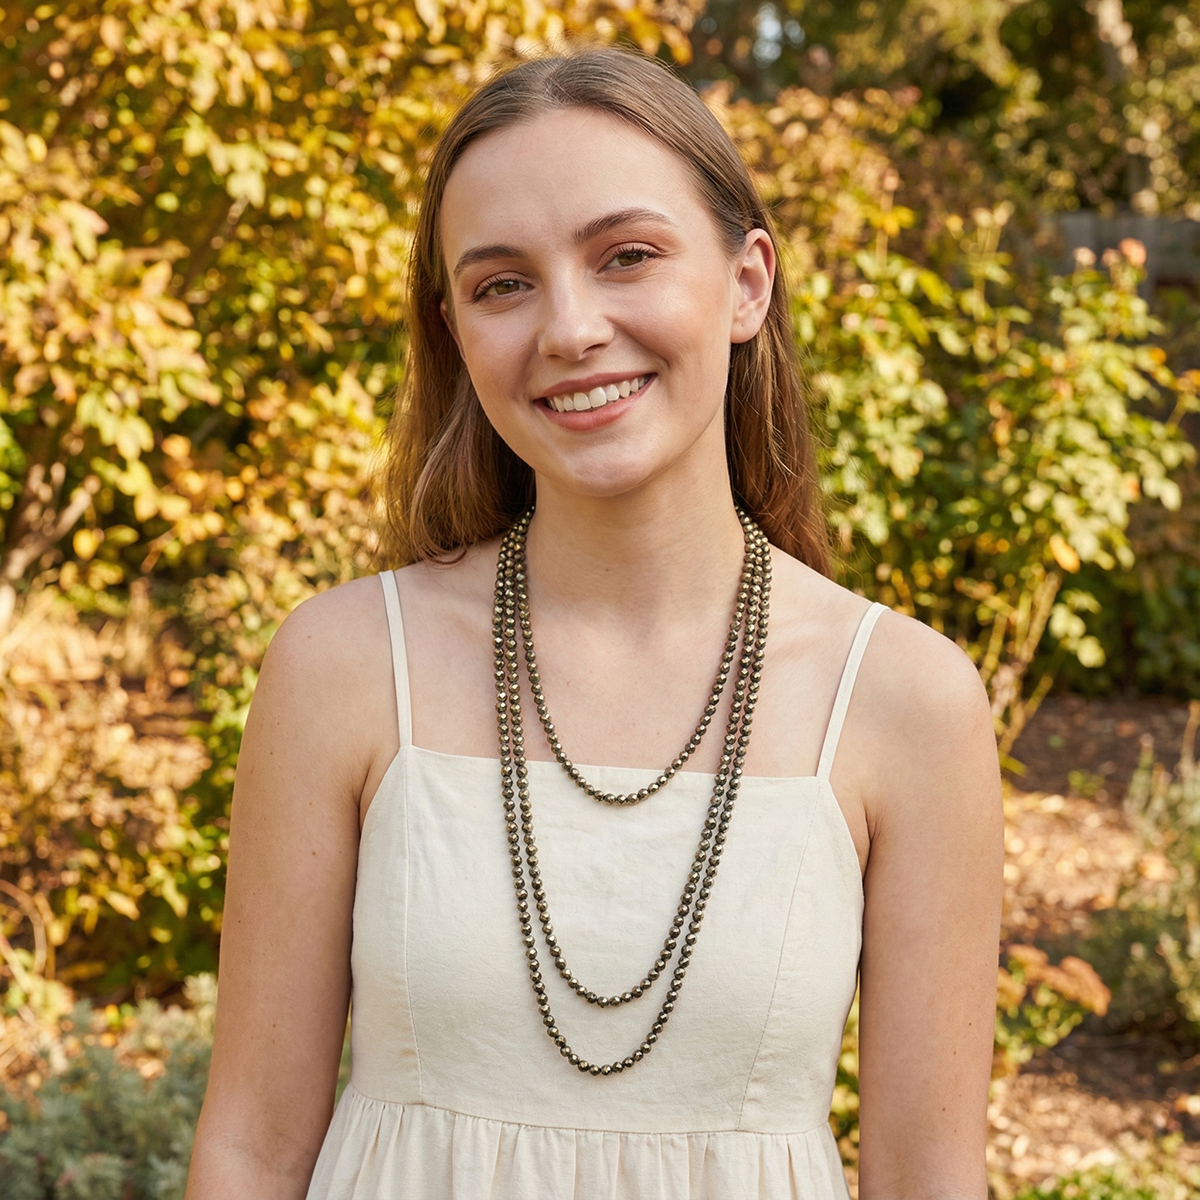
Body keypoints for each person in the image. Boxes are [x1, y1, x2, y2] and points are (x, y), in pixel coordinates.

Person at [186, 47, 1003, 1200]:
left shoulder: (905, 699)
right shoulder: (344, 665)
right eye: (502, 283)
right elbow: (253, 1148)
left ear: (746, 283)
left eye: (627, 256)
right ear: (459, 333)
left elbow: (928, 1177)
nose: (570, 328)